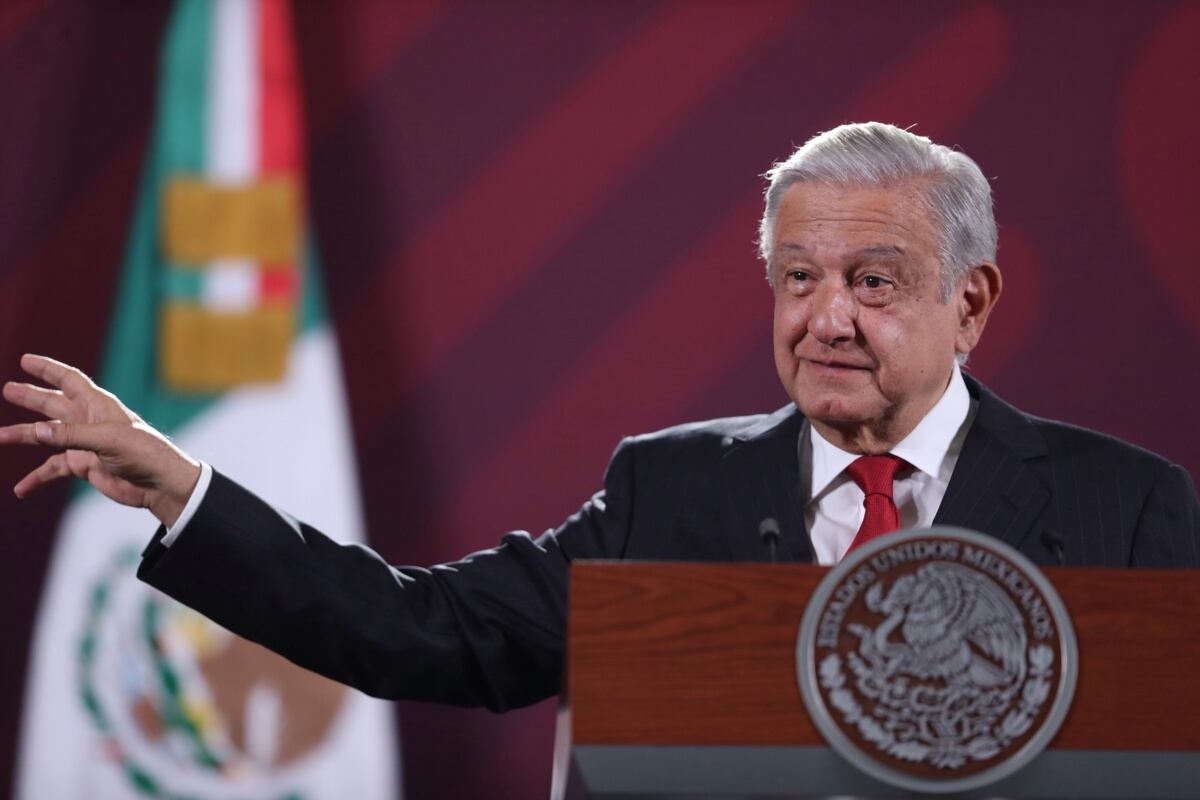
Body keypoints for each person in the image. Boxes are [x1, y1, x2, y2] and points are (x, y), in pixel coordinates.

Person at [3, 123, 1198, 712]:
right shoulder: (671, 493)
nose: (825, 318)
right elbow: (422, 630)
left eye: (873, 282)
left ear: (970, 301)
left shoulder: (1125, 507)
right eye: (796, 277)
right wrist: (184, 486)